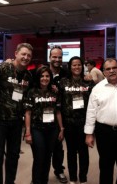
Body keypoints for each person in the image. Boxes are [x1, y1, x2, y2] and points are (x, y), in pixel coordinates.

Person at [0, 43, 33, 184]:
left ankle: (10, 181)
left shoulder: (28, 75)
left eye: (28, 55)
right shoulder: (3, 68)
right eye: (23, 54)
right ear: (16, 53)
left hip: (16, 122)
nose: (26, 57)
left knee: (13, 156)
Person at [24, 66, 64, 184]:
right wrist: (27, 132)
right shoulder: (32, 92)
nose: (45, 78)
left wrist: (61, 128)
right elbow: (28, 113)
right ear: (38, 77)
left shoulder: (54, 92)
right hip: (37, 129)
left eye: (47, 76)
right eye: (42, 76)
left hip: (52, 129)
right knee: (39, 157)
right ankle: (36, 181)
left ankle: (44, 181)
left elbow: (57, 111)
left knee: (48, 157)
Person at [59, 56, 94, 184]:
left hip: (84, 123)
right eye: (74, 65)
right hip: (69, 122)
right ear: (70, 67)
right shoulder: (63, 82)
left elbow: (94, 102)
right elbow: (59, 101)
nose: (77, 67)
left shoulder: (88, 82)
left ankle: (83, 178)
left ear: (82, 66)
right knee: (71, 151)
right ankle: (73, 178)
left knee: (83, 151)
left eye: (79, 64)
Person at [49, 45, 68, 183]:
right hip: (42, 115)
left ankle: (59, 170)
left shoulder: (66, 73)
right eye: (54, 56)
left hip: (60, 115)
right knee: (41, 149)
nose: (57, 59)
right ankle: (39, 174)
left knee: (58, 147)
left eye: (60, 57)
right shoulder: (41, 72)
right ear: (50, 57)